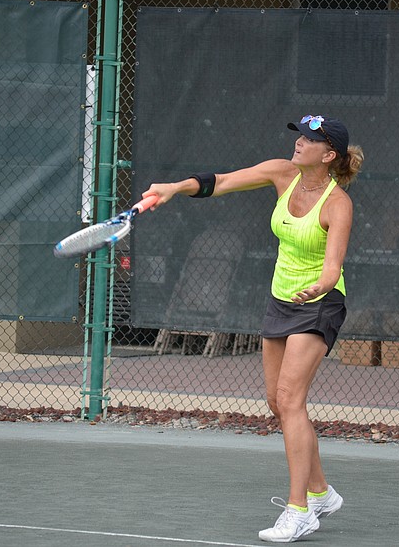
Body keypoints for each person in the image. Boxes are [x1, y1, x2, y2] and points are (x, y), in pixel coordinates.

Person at [142, 114, 363, 543]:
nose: (299, 143)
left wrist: (318, 284)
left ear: (329, 154)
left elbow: (332, 266)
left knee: (290, 399)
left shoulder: (339, 204)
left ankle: (299, 510)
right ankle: (321, 492)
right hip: (281, 299)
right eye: (299, 135)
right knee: (277, 404)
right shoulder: (282, 174)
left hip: (319, 304)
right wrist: (173, 188)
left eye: (310, 139)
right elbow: (220, 181)